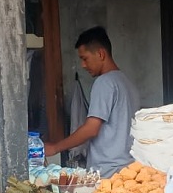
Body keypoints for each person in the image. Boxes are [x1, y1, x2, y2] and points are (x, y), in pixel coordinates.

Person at [44, 26, 140, 178]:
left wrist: (55, 148)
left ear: (101, 54)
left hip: (107, 172)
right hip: (128, 169)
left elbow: (91, 128)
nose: (83, 65)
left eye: (85, 58)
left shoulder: (104, 82)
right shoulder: (127, 83)